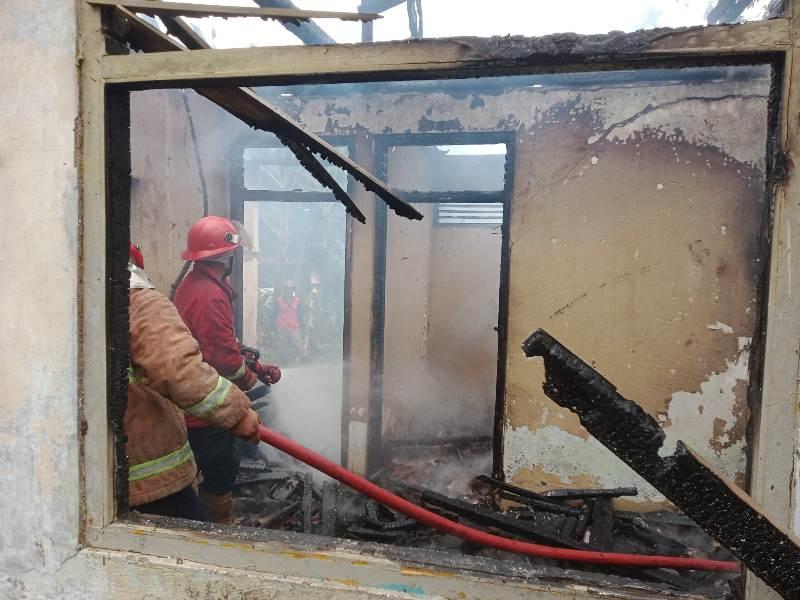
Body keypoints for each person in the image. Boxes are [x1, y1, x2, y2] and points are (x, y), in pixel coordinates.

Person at [125, 243, 261, 520]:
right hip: (158, 461)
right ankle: (221, 528)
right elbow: (189, 365)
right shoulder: (142, 299)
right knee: (217, 477)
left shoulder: (190, 285)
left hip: (125, 461)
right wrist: (238, 409)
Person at [173, 216, 281, 523]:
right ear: (226, 256)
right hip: (204, 405)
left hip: (195, 394)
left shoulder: (197, 284)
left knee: (214, 464)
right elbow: (223, 359)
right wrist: (249, 379)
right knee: (221, 467)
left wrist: (254, 363)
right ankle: (218, 526)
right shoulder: (209, 295)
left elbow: (217, 341)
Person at [275, 280, 304, 363]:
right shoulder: (278, 300)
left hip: (294, 326)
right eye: (287, 288)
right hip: (282, 326)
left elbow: (300, 313)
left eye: (291, 288)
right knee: (282, 345)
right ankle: (285, 362)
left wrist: (302, 324)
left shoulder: (298, 300)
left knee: (298, 344)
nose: (289, 290)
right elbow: (274, 314)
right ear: (284, 289)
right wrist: (273, 327)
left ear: (293, 290)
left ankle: (301, 359)